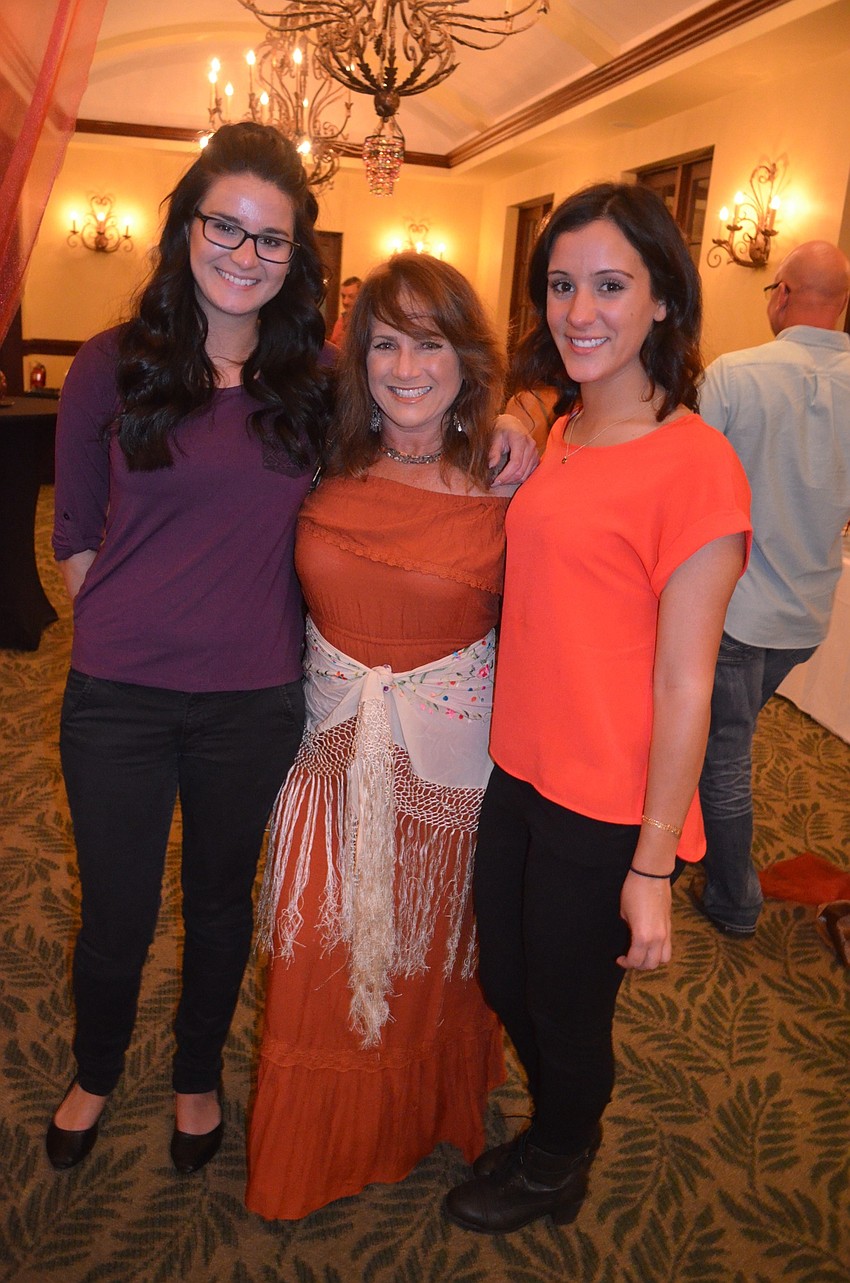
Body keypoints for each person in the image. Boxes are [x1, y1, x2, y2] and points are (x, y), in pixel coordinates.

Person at [444, 182, 752, 1235]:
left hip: (610, 796)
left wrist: (655, 866)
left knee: (565, 1006)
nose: (580, 309)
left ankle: (561, 1153)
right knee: (503, 974)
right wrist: (527, 416)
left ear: (663, 297)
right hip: (521, 766)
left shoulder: (698, 467)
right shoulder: (566, 427)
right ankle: (559, 1123)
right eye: (563, 284)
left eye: (610, 285)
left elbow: (686, 682)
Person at [47, 122, 331, 1174]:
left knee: (219, 902)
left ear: (297, 256)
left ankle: (196, 1072)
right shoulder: (108, 365)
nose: (245, 255)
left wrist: (525, 413)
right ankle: (95, 1066)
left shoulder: (318, 377)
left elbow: (430, 414)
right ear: (186, 225)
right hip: (116, 697)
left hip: (252, 699)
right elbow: (75, 529)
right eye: (227, 227)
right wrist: (131, 623)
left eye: (273, 240)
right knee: (115, 906)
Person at [245, 252, 516, 1221]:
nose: (405, 366)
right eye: (386, 343)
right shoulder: (320, 450)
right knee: (318, 972)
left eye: (430, 343)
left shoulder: (509, 482)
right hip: (325, 769)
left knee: (428, 974)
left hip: (447, 791)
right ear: (357, 359)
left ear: (466, 360)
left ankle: (417, 1120)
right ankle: (312, 1152)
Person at [695, 240, 850, 938]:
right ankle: (693, 839)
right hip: (810, 608)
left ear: (781, 294)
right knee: (725, 732)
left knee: (721, 750)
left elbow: (692, 490)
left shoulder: (735, 374)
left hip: (735, 602)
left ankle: (734, 896)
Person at [330, 275, 362, 346]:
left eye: (351, 297)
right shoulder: (341, 321)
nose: (345, 301)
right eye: (343, 296)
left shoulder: (368, 321)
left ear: (361, 297)